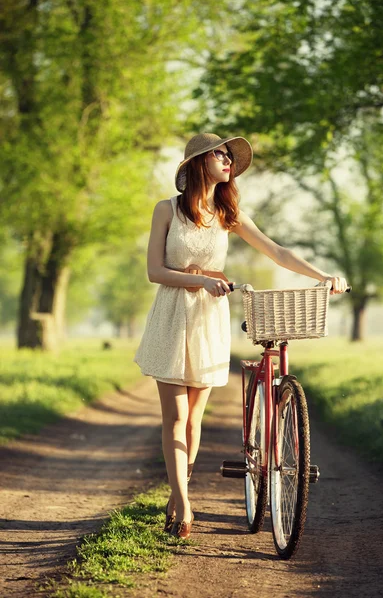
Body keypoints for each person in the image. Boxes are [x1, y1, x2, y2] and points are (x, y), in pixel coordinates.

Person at [134, 132, 347, 539]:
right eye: (219, 154)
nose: (227, 159)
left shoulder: (228, 212)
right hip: (173, 315)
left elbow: (277, 251)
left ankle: (177, 497)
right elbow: (154, 271)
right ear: (198, 162)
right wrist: (196, 281)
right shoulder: (167, 210)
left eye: (229, 155)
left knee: (194, 421)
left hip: (208, 320)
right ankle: (184, 504)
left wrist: (323, 276)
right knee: (176, 419)